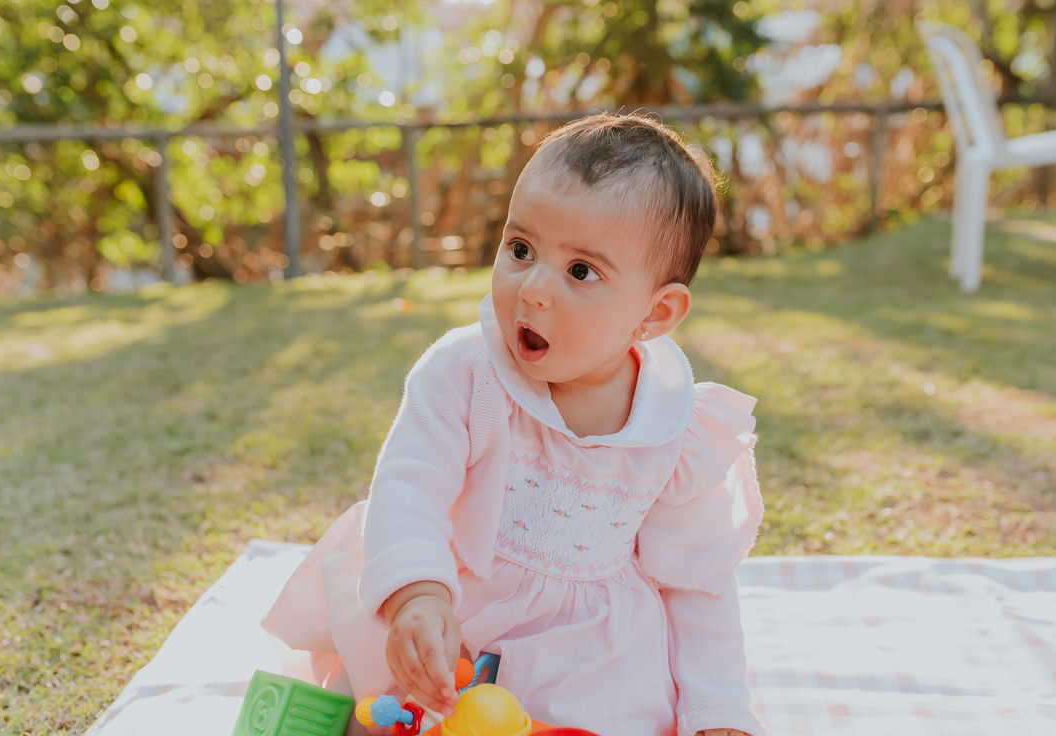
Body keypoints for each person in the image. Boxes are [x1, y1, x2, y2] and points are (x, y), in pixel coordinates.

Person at [262, 113, 764, 736]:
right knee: (397, 707)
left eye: (581, 271)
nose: (532, 290)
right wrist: (419, 594)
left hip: (588, 656)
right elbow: (408, 486)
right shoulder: (465, 371)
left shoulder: (678, 429)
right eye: (520, 249)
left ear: (656, 313)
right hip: (458, 611)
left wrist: (719, 715)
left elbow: (697, 586)